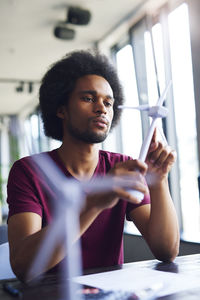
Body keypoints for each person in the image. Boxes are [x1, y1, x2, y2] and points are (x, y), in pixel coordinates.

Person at [7, 50, 180, 282]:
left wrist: (158, 182)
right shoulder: (29, 171)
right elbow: (24, 266)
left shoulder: (121, 167)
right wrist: (93, 203)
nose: (102, 108)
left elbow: (166, 251)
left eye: (108, 102)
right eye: (88, 98)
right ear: (61, 110)